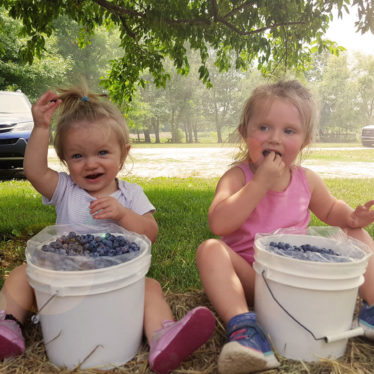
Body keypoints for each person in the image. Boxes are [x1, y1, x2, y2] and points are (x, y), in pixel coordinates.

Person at [0, 87, 215, 373]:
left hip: (115, 283)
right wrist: (40, 127)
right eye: (78, 156)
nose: (91, 163)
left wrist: (124, 215)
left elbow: (150, 232)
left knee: (150, 287)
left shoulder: (131, 195)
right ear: (65, 160)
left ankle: (163, 335)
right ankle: (7, 324)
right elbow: (35, 172)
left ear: (123, 154)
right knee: (21, 274)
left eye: (102, 152)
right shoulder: (65, 189)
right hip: (66, 283)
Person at [195, 80, 374, 374]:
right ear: (245, 132)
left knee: (353, 235)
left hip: (303, 279)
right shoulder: (237, 177)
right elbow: (219, 223)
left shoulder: (306, 180)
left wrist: (350, 218)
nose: (275, 139)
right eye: (264, 128)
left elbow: (329, 208)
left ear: (304, 141)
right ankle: (245, 329)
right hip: (255, 278)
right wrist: (260, 183)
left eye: (289, 131)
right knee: (210, 249)